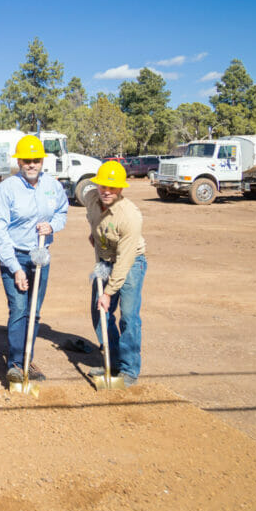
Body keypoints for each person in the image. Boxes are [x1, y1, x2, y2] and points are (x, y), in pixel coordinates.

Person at [0, 135, 69, 384]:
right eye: (27, 160)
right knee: (19, 310)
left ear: (42, 161)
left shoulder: (52, 185)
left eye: (36, 160)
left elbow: (62, 211)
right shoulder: (7, 188)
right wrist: (15, 268)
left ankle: (27, 359)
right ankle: (14, 364)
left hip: (40, 256)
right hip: (14, 256)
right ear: (19, 162)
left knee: (34, 312)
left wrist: (52, 226)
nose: (31, 164)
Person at [85, 160, 146, 387]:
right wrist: (95, 234)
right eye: (103, 186)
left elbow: (125, 260)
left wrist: (109, 292)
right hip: (104, 260)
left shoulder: (130, 216)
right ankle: (113, 361)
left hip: (129, 264)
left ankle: (129, 370)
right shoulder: (91, 198)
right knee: (99, 312)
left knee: (128, 316)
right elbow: (93, 218)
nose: (106, 191)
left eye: (112, 188)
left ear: (120, 188)